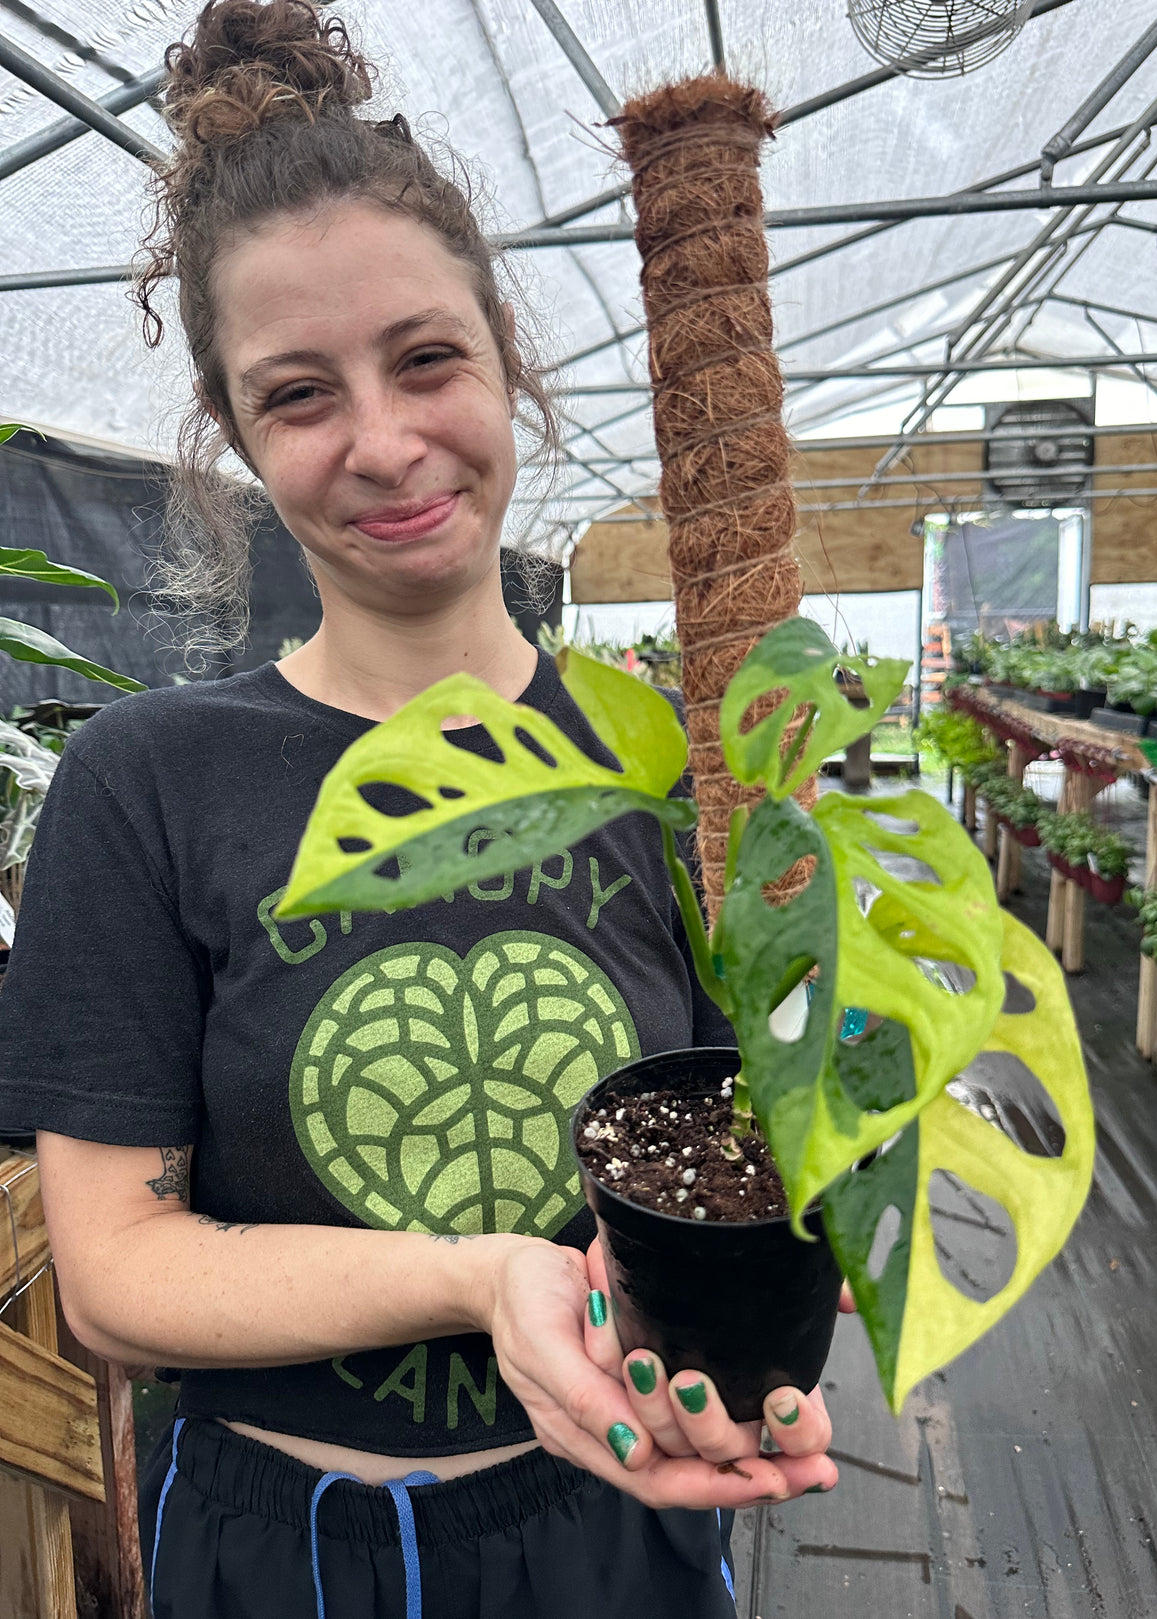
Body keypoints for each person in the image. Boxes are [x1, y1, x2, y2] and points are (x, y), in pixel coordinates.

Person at [0, 3, 839, 1614]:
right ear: (235, 437)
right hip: (276, 1547)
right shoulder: (146, 784)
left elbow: (766, 1148)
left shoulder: (678, 771)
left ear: (507, 366)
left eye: (427, 359)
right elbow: (111, 1278)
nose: (384, 445)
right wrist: (482, 1281)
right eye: (300, 395)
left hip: (618, 1526)